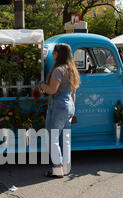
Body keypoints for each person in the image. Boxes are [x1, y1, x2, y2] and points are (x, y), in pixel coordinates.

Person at [40, 43, 80, 178]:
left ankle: (57, 169)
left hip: (58, 106)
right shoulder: (72, 70)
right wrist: (71, 110)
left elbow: (52, 90)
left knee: (52, 137)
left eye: (54, 52)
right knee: (65, 139)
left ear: (59, 54)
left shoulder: (58, 70)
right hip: (69, 106)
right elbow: (73, 93)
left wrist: (42, 86)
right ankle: (65, 167)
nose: (52, 55)